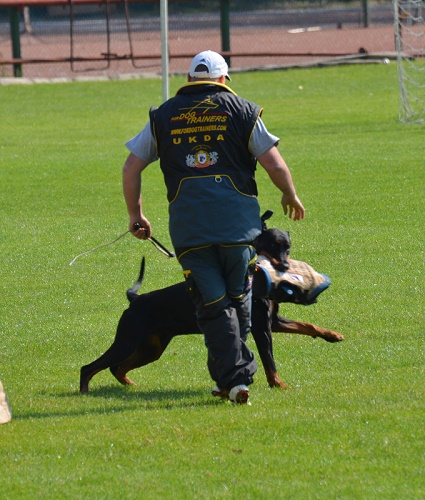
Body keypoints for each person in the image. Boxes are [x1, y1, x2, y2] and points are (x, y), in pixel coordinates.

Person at [122, 50, 305, 405]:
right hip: (239, 231)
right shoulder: (244, 111)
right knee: (239, 300)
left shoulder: (163, 116)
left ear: (190, 79)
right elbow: (274, 162)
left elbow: (131, 167)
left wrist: (136, 215)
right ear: (223, 80)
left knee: (213, 305)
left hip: (191, 233)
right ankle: (237, 379)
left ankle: (232, 380)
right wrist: (290, 194)